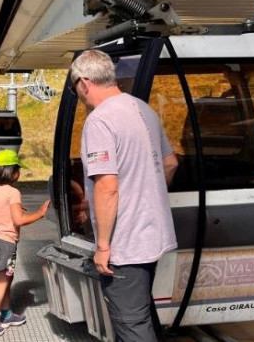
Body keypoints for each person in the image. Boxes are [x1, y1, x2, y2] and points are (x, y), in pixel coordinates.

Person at [70, 50, 178, 342]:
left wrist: (103, 245)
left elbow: (107, 185)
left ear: (84, 82)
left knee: (131, 324)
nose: (77, 94)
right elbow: (170, 163)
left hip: (126, 245)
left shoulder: (100, 121)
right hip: (152, 236)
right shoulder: (144, 110)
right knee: (141, 314)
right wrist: (147, 196)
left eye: (73, 87)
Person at [0, 149, 50, 338]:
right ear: (13, 172)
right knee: (0, 283)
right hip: (6, 244)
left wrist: (8, 209)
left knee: (6, 279)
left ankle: (6, 315)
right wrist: (40, 213)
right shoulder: (13, 192)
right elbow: (19, 220)